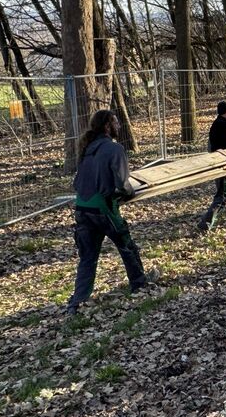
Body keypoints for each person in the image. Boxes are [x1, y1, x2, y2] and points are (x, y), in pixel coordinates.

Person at [67, 110, 156, 316]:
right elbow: (123, 184)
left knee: (88, 257)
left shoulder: (87, 148)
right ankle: (139, 284)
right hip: (103, 209)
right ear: (107, 126)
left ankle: (77, 303)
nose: (119, 126)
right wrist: (129, 194)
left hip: (82, 209)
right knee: (127, 246)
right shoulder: (114, 149)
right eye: (116, 122)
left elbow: (77, 182)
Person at [197, 101, 226, 231]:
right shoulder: (221, 126)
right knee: (223, 197)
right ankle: (205, 223)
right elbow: (223, 147)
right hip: (223, 165)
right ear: (224, 113)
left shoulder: (222, 123)